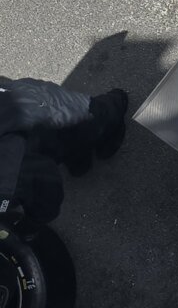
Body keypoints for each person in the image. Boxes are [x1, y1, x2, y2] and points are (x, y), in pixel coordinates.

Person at [1, 78, 128, 223]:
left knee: (99, 114)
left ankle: (118, 102)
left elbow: (43, 184)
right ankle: (81, 156)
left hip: (45, 108)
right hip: (29, 132)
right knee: (71, 152)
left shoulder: (8, 176)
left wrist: (34, 222)